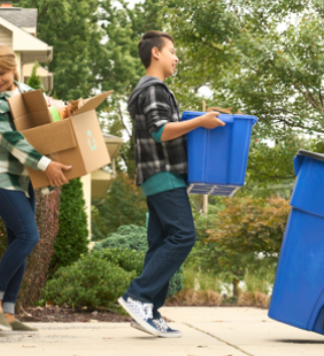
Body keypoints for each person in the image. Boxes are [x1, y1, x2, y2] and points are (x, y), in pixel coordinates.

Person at [118, 31, 225, 338]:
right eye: (172, 51)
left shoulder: (153, 89)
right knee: (183, 236)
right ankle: (137, 296)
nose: (176, 57)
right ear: (156, 54)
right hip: (163, 175)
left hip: (158, 176)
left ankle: (148, 310)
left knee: (161, 242)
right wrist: (200, 122)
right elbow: (160, 131)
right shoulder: (153, 89)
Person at [0, 44, 71, 336]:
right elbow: (11, 139)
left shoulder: (27, 92)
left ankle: (6, 314)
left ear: (13, 68)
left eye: (1, 73)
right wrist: (45, 164)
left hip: (23, 180)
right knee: (29, 235)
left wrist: (63, 110)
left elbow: (48, 117)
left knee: (20, 240)